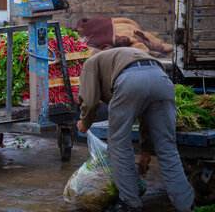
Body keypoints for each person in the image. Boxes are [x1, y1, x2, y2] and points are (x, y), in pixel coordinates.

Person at [76, 47, 194, 212]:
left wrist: (85, 122)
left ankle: (129, 203)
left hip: (130, 81)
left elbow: (89, 102)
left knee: (118, 145)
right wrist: (146, 150)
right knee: (167, 148)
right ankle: (186, 205)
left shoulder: (90, 63)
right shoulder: (123, 55)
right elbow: (146, 114)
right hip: (162, 80)